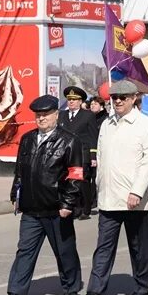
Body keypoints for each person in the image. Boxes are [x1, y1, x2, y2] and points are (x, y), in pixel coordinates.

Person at [0, 95, 84, 295]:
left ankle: (71, 288)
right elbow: (20, 170)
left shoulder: (69, 140)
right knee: (24, 250)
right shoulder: (27, 139)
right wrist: (16, 194)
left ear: (56, 115)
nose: (41, 119)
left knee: (64, 250)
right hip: (31, 208)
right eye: (38, 115)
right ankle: (15, 294)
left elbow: (76, 174)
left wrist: (68, 203)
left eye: (45, 115)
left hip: (56, 207)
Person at [77, 80, 148, 295]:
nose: (119, 101)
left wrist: (136, 191)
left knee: (139, 247)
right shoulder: (107, 124)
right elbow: (102, 157)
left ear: (134, 98)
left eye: (123, 97)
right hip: (109, 197)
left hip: (135, 199)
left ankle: (142, 288)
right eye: (115, 98)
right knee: (103, 247)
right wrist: (100, 184)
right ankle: (95, 293)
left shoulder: (146, 125)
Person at [58, 86, 99, 220]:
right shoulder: (62, 115)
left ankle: (85, 209)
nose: (71, 102)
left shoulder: (88, 116)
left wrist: (93, 156)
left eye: (74, 100)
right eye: (69, 99)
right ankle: (73, 207)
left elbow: (93, 137)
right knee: (68, 181)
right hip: (66, 155)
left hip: (82, 154)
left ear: (80, 101)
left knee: (82, 182)